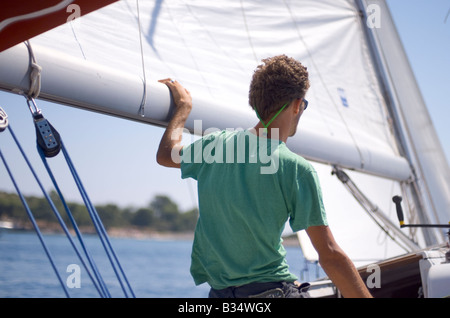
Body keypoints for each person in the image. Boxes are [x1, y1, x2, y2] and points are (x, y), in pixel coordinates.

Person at [156, 55, 372, 298]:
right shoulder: (296, 168)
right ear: (297, 104)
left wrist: (183, 108)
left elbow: (166, 154)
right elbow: (330, 254)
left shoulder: (216, 145)